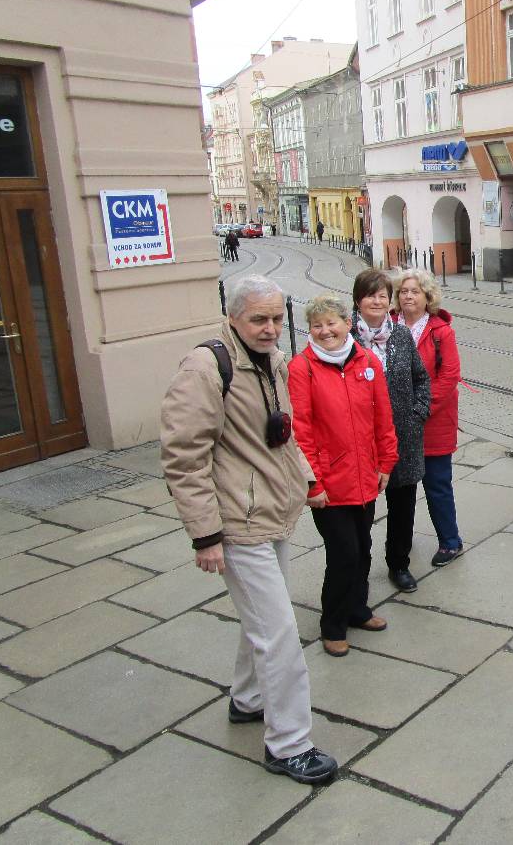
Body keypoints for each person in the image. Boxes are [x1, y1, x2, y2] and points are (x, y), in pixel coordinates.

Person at [160, 275, 337, 785]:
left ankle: (247, 698)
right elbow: (184, 457)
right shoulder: (205, 367)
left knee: (261, 618)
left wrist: (307, 480)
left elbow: (282, 436)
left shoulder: (271, 360)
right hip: (237, 522)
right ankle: (289, 745)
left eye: (278, 318)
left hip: (270, 511)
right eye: (259, 319)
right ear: (233, 316)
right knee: (280, 634)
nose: (271, 328)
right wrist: (205, 536)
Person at [288, 294, 399, 657]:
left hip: (365, 475)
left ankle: (357, 609)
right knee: (343, 553)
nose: (325, 331)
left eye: (331, 323)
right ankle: (332, 624)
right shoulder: (302, 368)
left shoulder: (367, 361)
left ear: (347, 324)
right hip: (329, 482)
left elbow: (383, 417)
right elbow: (301, 431)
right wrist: (312, 483)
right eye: (316, 325)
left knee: (363, 548)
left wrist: (386, 463)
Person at [354, 268, 431, 592]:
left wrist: (417, 414)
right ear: (358, 300)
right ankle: (357, 571)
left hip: (403, 437)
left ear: (390, 301)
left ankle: (399, 564)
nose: (377, 301)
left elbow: (421, 379)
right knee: (360, 512)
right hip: (361, 441)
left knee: (403, 508)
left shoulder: (400, 335)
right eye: (370, 295)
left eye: (382, 295)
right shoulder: (345, 338)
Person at [396, 268, 463, 565]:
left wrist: (418, 409)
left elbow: (449, 377)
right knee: (402, 489)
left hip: (432, 422)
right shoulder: (389, 326)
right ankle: (401, 541)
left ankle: (450, 541)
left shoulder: (440, 331)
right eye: (403, 291)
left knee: (437, 485)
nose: (408, 296)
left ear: (428, 297)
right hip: (396, 423)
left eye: (415, 291)